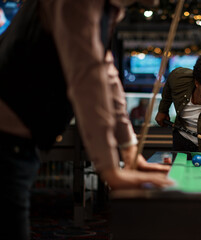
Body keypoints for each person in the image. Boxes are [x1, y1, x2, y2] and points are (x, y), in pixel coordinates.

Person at [0, 0, 173, 239]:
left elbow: (106, 75)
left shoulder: (107, 8)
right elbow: (88, 79)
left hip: (17, 141)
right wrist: (111, 170)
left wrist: (130, 151)